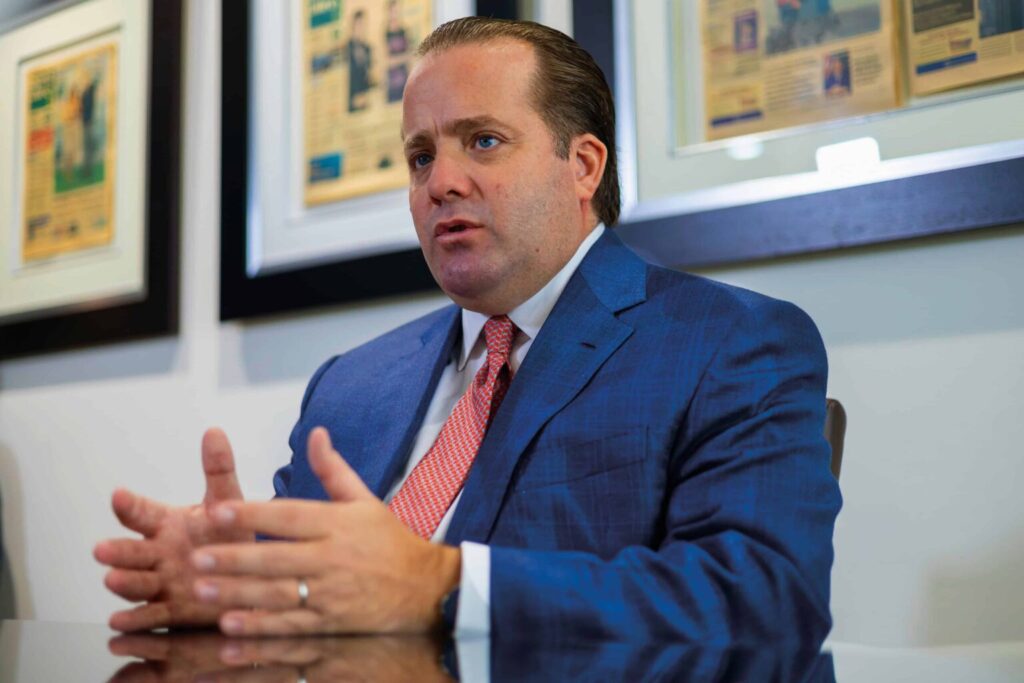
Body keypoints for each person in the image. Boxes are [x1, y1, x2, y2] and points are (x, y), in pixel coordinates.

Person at [95, 17, 841, 642]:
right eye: (421, 156)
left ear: (583, 165)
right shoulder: (350, 385)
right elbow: (307, 589)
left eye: (483, 140)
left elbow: (764, 603)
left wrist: (443, 583)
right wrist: (234, 585)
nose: (440, 182)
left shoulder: (732, 343)